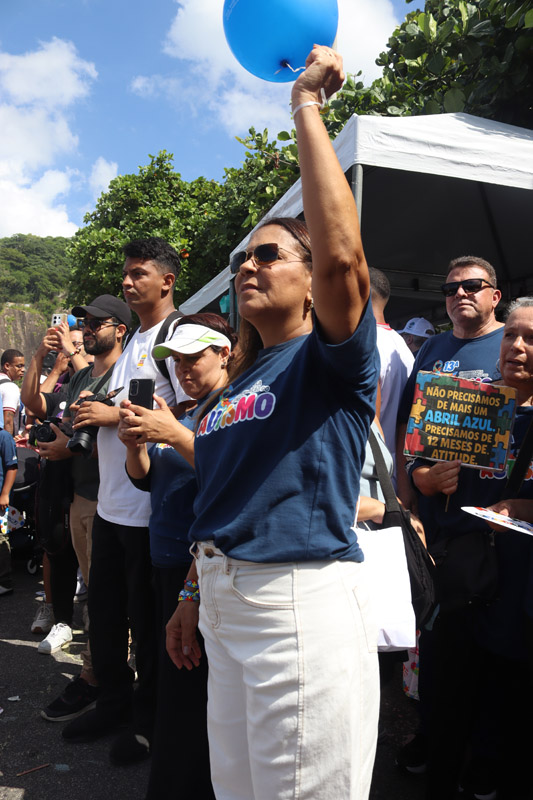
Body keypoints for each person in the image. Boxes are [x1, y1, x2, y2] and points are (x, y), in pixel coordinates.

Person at [121, 47, 380, 800]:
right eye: (241, 261)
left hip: (295, 604)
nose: (247, 267)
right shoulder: (241, 381)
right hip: (225, 601)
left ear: (309, 284)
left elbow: (343, 260)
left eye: (269, 255)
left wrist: (304, 107)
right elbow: (227, 490)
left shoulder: (328, 359)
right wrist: (196, 591)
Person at [62, 238, 189, 769]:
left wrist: (112, 416)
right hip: (110, 503)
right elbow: (122, 402)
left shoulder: (181, 336)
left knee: (151, 619)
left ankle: (148, 723)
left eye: (139, 273)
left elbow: (186, 410)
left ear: (167, 281)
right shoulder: (134, 338)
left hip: (149, 512)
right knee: (108, 616)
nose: (127, 282)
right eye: (126, 274)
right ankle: (114, 700)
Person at [400, 297, 533, 799]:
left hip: (516, 591)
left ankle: (488, 769)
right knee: (446, 687)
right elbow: (418, 458)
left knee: (502, 693)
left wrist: (522, 510)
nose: (517, 347)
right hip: (456, 579)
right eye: (511, 335)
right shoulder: (464, 401)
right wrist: (426, 480)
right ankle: (441, 766)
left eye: (530, 338)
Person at [119, 313, 236, 800]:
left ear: (225, 353)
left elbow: (233, 475)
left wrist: (170, 432)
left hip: (203, 568)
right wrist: (134, 445)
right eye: (177, 360)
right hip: (165, 557)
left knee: (194, 686)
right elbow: (146, 478)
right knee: (175, 681)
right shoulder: (185, 409)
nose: (184, 369)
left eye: (195, 358)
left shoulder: (233, 408)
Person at [396, 255, 504, 511]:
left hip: (496, 511)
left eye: (472, 286)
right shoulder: (431, 347)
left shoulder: (515, 341)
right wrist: (407, 482)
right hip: (435, 511)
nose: (459, 293)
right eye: (450, 289)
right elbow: (406, 421)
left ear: (496, 297)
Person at [369, 267, 414, 479]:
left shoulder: (366, 344)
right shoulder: (401, 345)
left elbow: (367, 419)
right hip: (395, 475)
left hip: (371, 476)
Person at [0, 427, 19, 595]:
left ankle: (4, 581)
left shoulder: (4, 436)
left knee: (1, 539)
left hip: (0, 498)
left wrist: (5, 494)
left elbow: (12, 467)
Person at [0, 349, 25, 436]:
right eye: (19, 366)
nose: (23, 370)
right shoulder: (10, 387)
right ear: (7, 366)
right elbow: (8, 420)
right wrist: (9, 442)